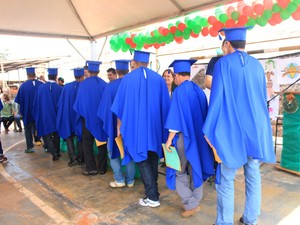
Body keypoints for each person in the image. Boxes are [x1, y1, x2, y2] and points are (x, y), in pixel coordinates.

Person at [203, 27, 276, 225]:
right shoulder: (257, 65)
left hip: (231, 130)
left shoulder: (222, 64)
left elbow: (217, 98)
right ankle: (250, 219)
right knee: (253, 174)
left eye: (224, 44)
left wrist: (209, 128)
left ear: (228, 44)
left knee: (226, 178)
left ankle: (224, 222)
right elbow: (262, 100)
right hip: (254, 130)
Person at [112, 50, 170, 207]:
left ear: (134, 62)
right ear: (148, 62)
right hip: (155, 127)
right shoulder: (159, 79)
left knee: (142, 159)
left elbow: (120, 108)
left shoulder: (127, 80)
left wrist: (119, 128)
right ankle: (154, 192)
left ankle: (152, 197)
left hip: (136, 128)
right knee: (152, 157)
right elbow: (166, 106)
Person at [164, 60, 215, 217]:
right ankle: (195, 199)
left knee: (178, 170)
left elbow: (175, 120)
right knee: (195, 168)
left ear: (177, 75)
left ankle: (190, 203)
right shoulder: (198, 90)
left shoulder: (179, 92)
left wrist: (168, 141)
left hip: (183, 139)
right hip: (198, 138)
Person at [98, 59, 135, 188]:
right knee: (129, 152)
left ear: (117, 71)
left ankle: (119, 179)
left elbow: (104, 109)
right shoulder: (133, 85)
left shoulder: (110, 86)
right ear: (128, 69)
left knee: (112, 153)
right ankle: (130, 180)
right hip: (130, 127)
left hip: (114, 126)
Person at [73, 61, 107, 176]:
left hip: (87, 119)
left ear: (88, 71)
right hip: (100, 119)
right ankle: (102, 168)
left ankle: (91, 168)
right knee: (102, 142)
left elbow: (79, 104)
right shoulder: (104, 84)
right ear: (98, 71)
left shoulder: (83, 85)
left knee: (87, 144)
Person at [33, 68, 62, 160]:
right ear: (56, 76)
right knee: (57, 133)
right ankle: (57, 151)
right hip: (57, 115)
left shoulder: (41, 88)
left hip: (45, 115)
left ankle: (54, 153)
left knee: (46, 134)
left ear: (48, 76)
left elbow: (36, 104)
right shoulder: (59, 88)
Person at [57, 68, 85, 166]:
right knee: (80, 136)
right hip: (80, 117)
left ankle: (73, 157)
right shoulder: (85, 86)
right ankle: (81, 158)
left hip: (68, 116)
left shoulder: (66, 87)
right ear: (83, 76)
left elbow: (60, 103)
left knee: (69, 137)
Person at [15, 67, 44, 153]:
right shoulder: (41, 84)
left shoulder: (23, 86)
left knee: (27, 129)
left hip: (27, 112)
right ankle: (46, 145)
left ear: (27, 75)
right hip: (39, 112)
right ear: (35, 75)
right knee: (42, 127)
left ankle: (30, 147)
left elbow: (18, 101)